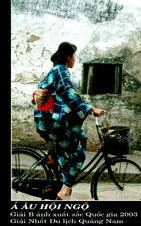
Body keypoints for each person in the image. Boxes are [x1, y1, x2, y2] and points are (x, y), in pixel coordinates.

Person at [33, 42, 103, 200]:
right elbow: (68, 94)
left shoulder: (56, 70)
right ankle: (64, 191)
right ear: (68, 57)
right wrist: (91, 109)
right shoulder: (61, 70)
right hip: (50, 123)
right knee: (77, 154)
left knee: (81, 137)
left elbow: (67, 96)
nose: (75, 59)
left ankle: (54, 158)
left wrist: (86, 107)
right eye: (74, 56)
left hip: (46, 120)